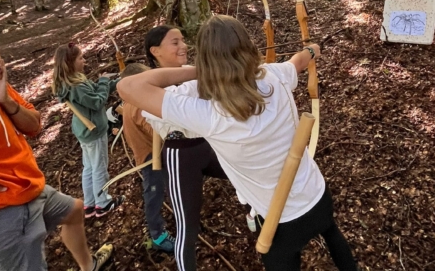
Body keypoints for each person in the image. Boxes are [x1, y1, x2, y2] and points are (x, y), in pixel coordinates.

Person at [118, 15, 358, 271]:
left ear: (208, 61)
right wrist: (311, 50)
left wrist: (202, 69)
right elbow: (297, 62)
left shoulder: (208, 115)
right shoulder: (273, 76)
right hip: (318, 195)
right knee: (332, 234)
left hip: (283, 221)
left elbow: (127, 87)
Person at [0, 24, 113, 271]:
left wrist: (5, 100)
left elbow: (34, 125)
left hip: (30, 189)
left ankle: (89, 266)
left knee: (75, 210)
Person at [142, 26, 228, 271]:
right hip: (181, 155)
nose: (183, 46)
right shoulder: (150, 86)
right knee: (187, 225)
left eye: (183, 41)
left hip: (207, 146)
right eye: (175, 42)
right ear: (155, 51)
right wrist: (204, 73)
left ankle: (259, 217)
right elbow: (176, 103)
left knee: (246, 174)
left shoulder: (193, 76)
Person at [51, 43, 124, 218]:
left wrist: (117, 81)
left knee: (90, 167)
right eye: (80, 58)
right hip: (93, 132)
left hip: (85, 132)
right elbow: (97, 101)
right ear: (70, 63)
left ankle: (90, 204)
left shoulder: (74, 81)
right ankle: (103, 204)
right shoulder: (77, 87)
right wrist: (105, 81)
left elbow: (99, 91)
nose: (84, 61)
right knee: (99, 168)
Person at [119, 62, 175, 253]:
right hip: (151, 157)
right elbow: (158, 131)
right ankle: (157, 233)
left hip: (154, 153)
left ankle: (178, 215)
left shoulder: (131, 102)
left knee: (166, 186)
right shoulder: (138, 106)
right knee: (154, 193)